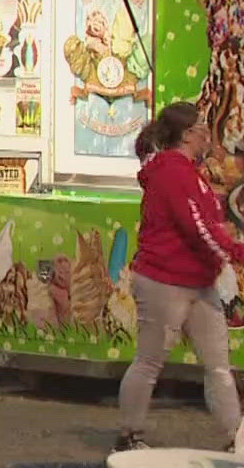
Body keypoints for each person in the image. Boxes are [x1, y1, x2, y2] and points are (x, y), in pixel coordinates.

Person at [114, 101, 244, 452]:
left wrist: (224, 258)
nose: (207, 133)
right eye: (202, 126)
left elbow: (206, 226)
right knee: (150, 361)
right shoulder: (173, 172)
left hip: (198, 282)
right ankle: (128, 436)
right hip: (164, 281)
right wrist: (233, 254)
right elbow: (197, 228)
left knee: (218, 364)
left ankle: (237, 438)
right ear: (188, 134)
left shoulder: (187, 171)